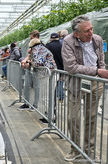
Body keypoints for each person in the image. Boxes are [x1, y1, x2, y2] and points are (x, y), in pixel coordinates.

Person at [62, 15, 108, 162]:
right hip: (76, 83)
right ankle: (74, 149)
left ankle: (90, 151)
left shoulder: (98, 39)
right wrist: (97, 72)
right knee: (72, 118)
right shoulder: (68, 42)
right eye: (86, 31)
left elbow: (101, 60)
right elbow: (71, 67)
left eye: (91, 29)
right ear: (76, 34)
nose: (90, 32)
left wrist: (101, 72)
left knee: (92, 117)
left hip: (95, 84)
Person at [18, 30, 41, 110]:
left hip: (37, 70)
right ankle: (26, 103)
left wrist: (28, 62)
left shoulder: (40, 46)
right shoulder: (32, 46)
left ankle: (35, 105)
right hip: (30, 69)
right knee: (26, 86)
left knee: (36, 87)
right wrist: (25, 60)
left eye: (31, 38)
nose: (30, 39)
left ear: (36, 37)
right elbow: (29, 56)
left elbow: (38, 60)